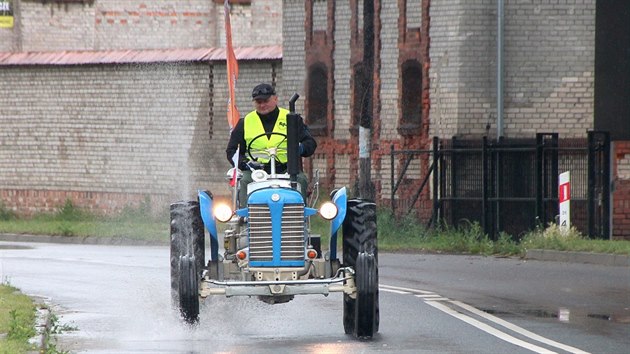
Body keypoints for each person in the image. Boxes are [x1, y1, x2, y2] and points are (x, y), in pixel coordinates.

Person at [226, 83, 317, 207]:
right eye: (259, 102)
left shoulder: (291, 119)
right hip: (255, 171)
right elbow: (232, 151)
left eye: (266, 100)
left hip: (287, 169)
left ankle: (298, 219)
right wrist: (245, 163)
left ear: (275, 98)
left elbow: (310, 143)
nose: (263, 105)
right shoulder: (245, 122)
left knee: (300, 180)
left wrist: (300, 149)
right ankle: (246, 218)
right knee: (243, 181)